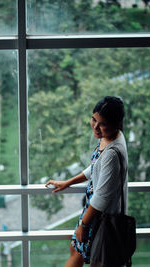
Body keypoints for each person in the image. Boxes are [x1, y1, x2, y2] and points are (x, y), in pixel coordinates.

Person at [45, 96, 128, 267]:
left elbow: (102, 197)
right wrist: (68, 182)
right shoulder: (111, 137)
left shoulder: (112, 153)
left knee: (79, 254)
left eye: (103, 124)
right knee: (75, 250)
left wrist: (83, 224)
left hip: (98, 216)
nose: (96, 127)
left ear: (117, 123)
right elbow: (96, 167)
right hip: (92, 211)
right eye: (94, 119)